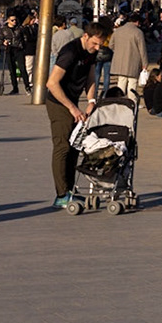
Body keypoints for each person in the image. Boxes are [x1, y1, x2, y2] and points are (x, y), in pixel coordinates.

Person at [44, 23, 107, 208]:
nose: (97, 48)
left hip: (73, 101)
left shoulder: (92, 52)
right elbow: (52, 83)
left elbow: (90, 78)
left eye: (100, 45)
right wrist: (72, 108)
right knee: (62, 146)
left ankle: (70, 189)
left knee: (74, 146)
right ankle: (61, 194)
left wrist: (91, 101)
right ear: (86, 36)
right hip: (58, 102)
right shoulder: (70, 52)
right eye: (95, 43)